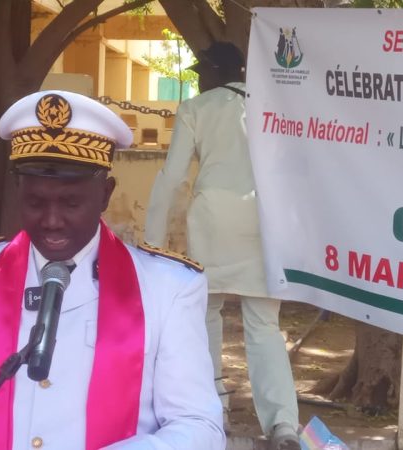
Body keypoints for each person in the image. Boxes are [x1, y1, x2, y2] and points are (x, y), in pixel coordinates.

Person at [0, 90, 225, 450]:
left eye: (71, 203)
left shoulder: (168, 288)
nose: (52, 221)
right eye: (35, 202)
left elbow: (198, 425)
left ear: (105, 194)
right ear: (17, 191)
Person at [144, 41, 301, 450]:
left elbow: (173, 175)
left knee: (206, 317)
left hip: (213, 222)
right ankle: (283, 424)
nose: (198, 79)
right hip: (264, 222)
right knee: (265, 325)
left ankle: (214, 412)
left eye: (200, 73)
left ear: (214, 71)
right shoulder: (271, 104)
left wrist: (152, 241)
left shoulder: (197, 109)